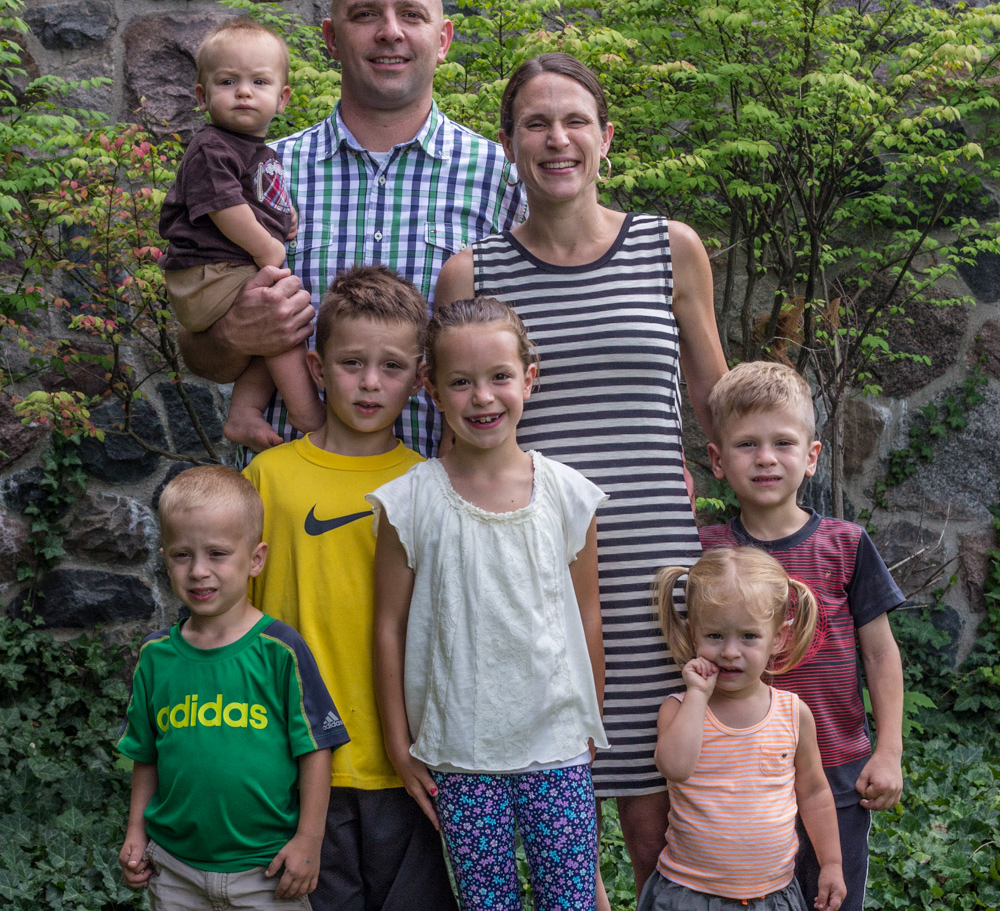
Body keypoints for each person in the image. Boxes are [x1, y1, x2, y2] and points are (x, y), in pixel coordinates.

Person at [434, 51, 729, 899]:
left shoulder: (669, 248)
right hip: (530, 582)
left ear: (605, 138)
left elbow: (714, 399)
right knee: (558, 830)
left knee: (657, 829)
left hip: (655, 576)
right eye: (535, 122)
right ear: (508, 142)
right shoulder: (473, 272)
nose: (556, 138)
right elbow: (455, 433)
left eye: (574, 121)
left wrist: (755, 535)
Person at [178, 0, 525, 458]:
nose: (390, 31)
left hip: (449, 507)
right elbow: (198, 349)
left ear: (443, 38)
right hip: (292, 512)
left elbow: (536, 357)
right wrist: (233, 334)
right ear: (331, 39)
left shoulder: (504, 179)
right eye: (366, 14)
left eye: (411, 14)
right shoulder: (259, 175)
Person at [371, 297, 608, 910]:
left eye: (500, 377)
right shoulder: (410, 500)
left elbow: (586, 616)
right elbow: (389, 626)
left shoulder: (566, 493)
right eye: (461, 382)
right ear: (431, 389)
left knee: (573, 901)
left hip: (556, 746)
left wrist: (588, 720)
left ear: (529, 378)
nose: (482, 397)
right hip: (457, 750)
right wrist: (401, 747)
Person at [243, 264, 457, 911]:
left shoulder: (432, 485)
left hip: (407, 767)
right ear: (315, 366)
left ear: (420, 379)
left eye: (392, 367)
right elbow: (236, 631)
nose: (369, 383)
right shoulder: (268, 478)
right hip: (297, 773)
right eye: (351, 363)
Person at [699, 361, 905, 911]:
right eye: (746, 444)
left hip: (838, 770)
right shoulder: (707, 554)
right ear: (718, 461)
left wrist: (889, 750)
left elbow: (881, 653)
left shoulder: (847, 544)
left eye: (783, 442)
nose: (765, 458)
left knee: (831, 896)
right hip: (737, 771)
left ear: (812, 458)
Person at [117, 465, 349, 909]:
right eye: (182, 555)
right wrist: (136, 831)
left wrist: (309, 840)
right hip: (175, 870)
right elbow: (146, 756)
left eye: (218, 553)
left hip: (265, 871)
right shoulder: (156, 657)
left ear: (256, 558)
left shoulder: (279, 650)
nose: (199, 571)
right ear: (165, 558)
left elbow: (317, 749)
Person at [646, 546, 847, 911]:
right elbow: (674, 767)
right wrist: (696, 695)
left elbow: (815, 793)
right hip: (689, 894)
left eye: (749, 636)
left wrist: (831, 863)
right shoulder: (678, 709)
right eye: (715, 636)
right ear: (693, 635)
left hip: (772, 897)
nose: (730, 652)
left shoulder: (792, 713)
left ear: (779, 638)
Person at [159, 18, 325, 452]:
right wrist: (268, 245)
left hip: (225, 268)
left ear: (282, 98)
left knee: (267, 333)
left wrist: (282, 218)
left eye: (259, 81)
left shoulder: (258, 150)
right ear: (202, 96)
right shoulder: (212, 146)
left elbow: (256, 198)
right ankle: (310, 416)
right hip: (208, 271)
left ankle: (244, 414)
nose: (244, 92)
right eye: (228, 81)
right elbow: (223, 207)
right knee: (284, 314)